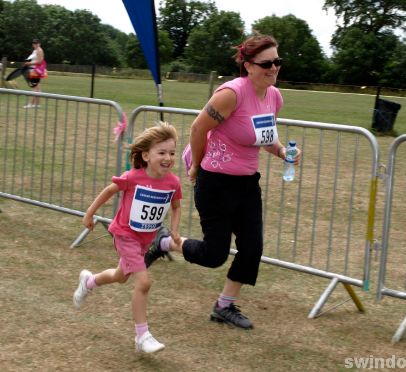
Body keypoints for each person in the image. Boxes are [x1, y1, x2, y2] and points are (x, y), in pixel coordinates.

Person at [145, 34, 300, 329]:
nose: (274, 68)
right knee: (214, 254)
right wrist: (198, 167)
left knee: (252, 248)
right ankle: (164, 241)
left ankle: (224, 306)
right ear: (248, 65)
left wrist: (281, 151)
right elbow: (198, 128)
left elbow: (264, 137)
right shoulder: (232, 94)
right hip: (215, 182)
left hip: (247, 184)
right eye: (267, 63)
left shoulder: (274, 96)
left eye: (278, 61)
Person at [73, 122, 183, 353]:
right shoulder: (133, 177)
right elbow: (109, 190)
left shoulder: (172, 182)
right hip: (125, 235)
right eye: (161, 152)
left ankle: (89, 282)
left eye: (172, 153)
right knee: (143, 282)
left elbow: (176, 206)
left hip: (144, 240)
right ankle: (142, 336)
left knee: (121, 276)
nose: (168, 157)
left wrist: (174, 229)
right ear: (146, 155)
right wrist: (89, 213)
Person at [23, 39, 47, 108]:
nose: (35, 44)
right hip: (34, 70)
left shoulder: (39, 50)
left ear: (39, 44)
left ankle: (31, 104)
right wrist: (27, 62)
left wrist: (29, 63)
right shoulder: (35, 50)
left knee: (34, 88)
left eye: (37, 43)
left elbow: (40, 62)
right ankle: (37, 104)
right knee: (37, 87)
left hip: (35, 70)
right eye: (34, 43)